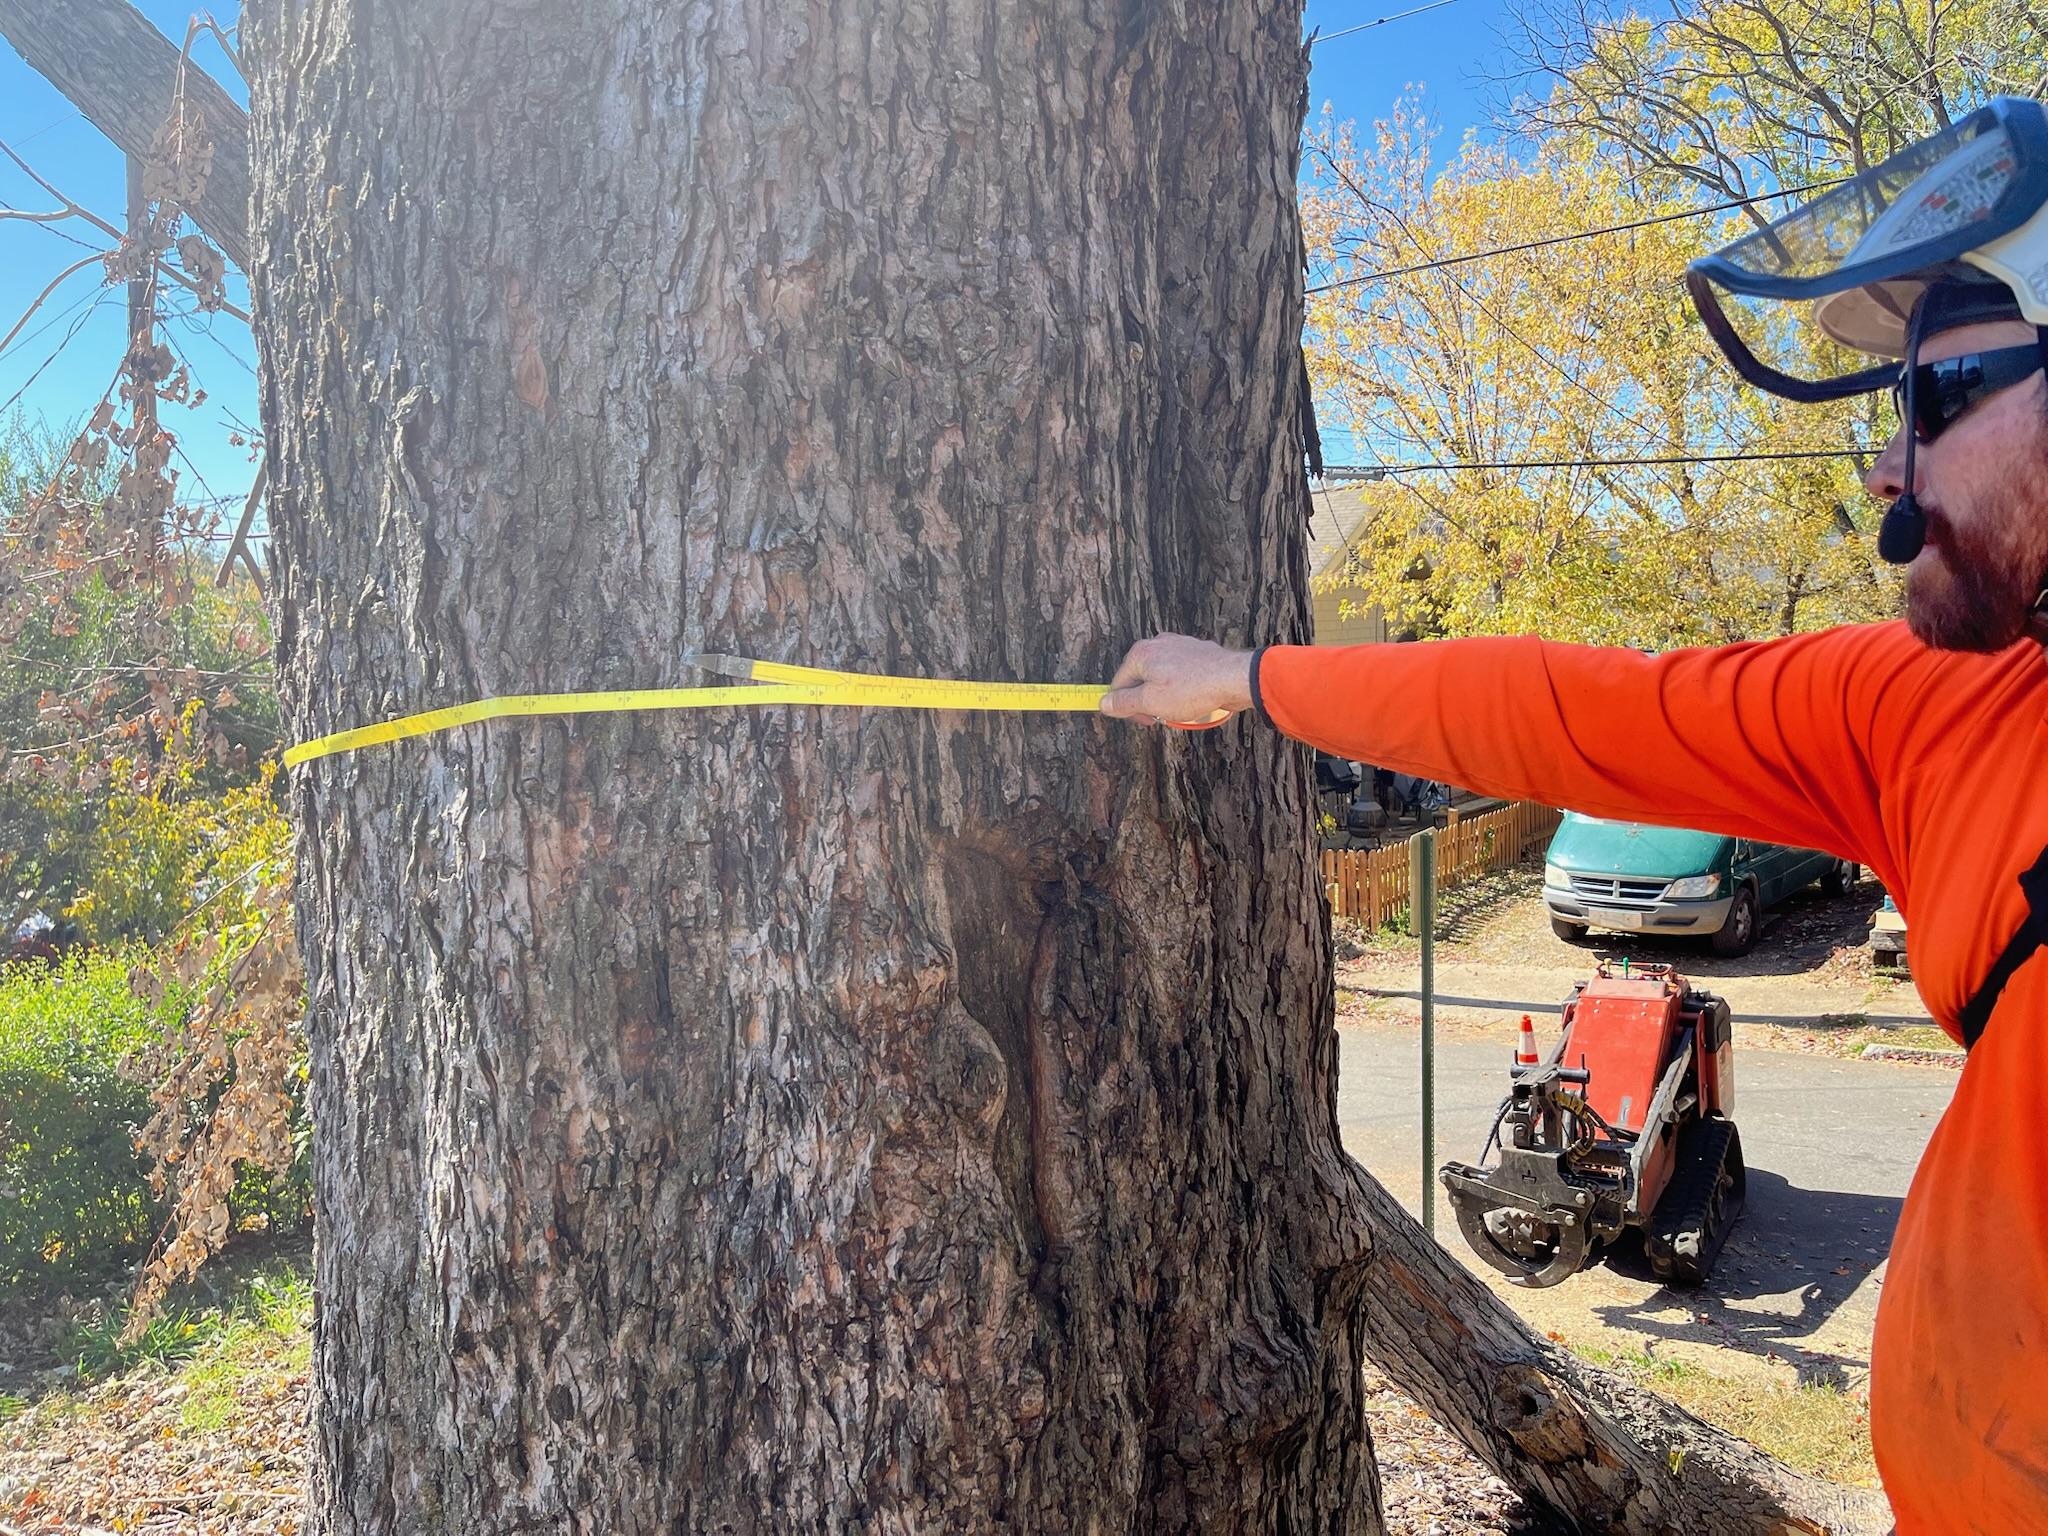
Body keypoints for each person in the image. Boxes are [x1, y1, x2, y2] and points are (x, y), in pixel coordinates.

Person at [1102, 98, 2048, 1535]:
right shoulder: (1949, 705)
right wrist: (1253, 681)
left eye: (1937, 398)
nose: (1881, 472)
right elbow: (1576, 711)